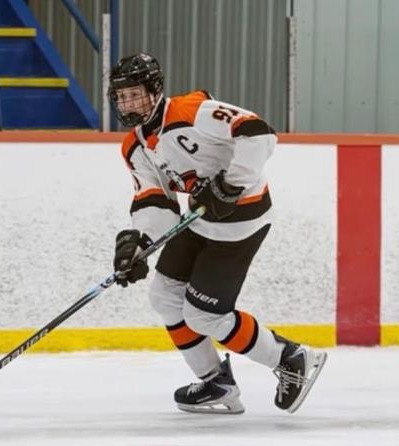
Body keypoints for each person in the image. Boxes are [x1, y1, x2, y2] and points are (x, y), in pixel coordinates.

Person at [108, 52, 327, 414]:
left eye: (135, 94)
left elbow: (258, 132)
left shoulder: (192, 111)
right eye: (122, 97)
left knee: (204, 316)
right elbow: (155, 201)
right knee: (164, 297)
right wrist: (140, 245)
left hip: (241, 221)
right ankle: (216, 383)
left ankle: (289, 358)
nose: (128, 104)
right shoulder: (134, 146)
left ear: (155, 90)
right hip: (199, 220)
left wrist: (230, 184)